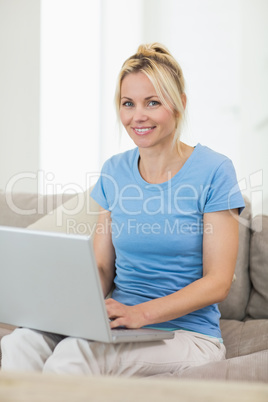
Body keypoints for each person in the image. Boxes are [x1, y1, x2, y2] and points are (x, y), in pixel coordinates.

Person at [1, 43, 245, 376]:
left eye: (152, 102)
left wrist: (140, 314)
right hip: (118, 324)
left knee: (73, 355)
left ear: (180, 105)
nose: (137, 116)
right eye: (128, 104)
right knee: (19, 343)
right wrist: (64, 309)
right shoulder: (115, 171)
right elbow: (102, 266)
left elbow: (218, 282)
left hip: (187, 335)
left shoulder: (215, 170)